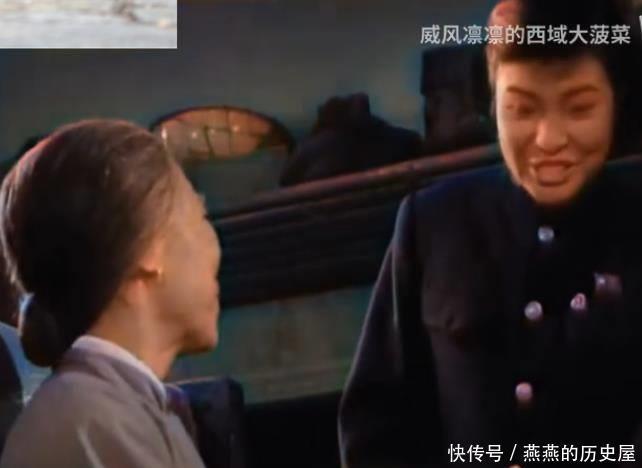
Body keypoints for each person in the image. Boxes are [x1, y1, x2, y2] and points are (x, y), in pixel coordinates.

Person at [338, 0, 642, 467]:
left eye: (580, 108)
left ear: (615, 103)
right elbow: (373, 430)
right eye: (521, 109)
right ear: (493, 103)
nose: (549, 139)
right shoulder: (431, 224)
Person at [0, 119, 221, 468]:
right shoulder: (95, 420)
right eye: (201, 216)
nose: (216, 249)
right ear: (150, 249)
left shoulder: (107, 407)